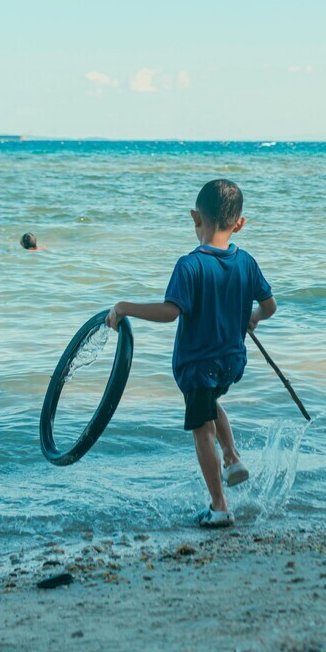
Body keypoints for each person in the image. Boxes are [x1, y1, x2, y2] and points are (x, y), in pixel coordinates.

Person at [106, 179, 277, 528]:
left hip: (199, 363)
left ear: (195, 217)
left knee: (202, 429)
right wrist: (252, 318)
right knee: (211, 403)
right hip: (232, 361)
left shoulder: (189, 265)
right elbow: (270, 306)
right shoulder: (247, 261)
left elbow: (171, 311)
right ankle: (232, 457)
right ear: (240, 223)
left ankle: (219, 507)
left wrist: (125, 307)